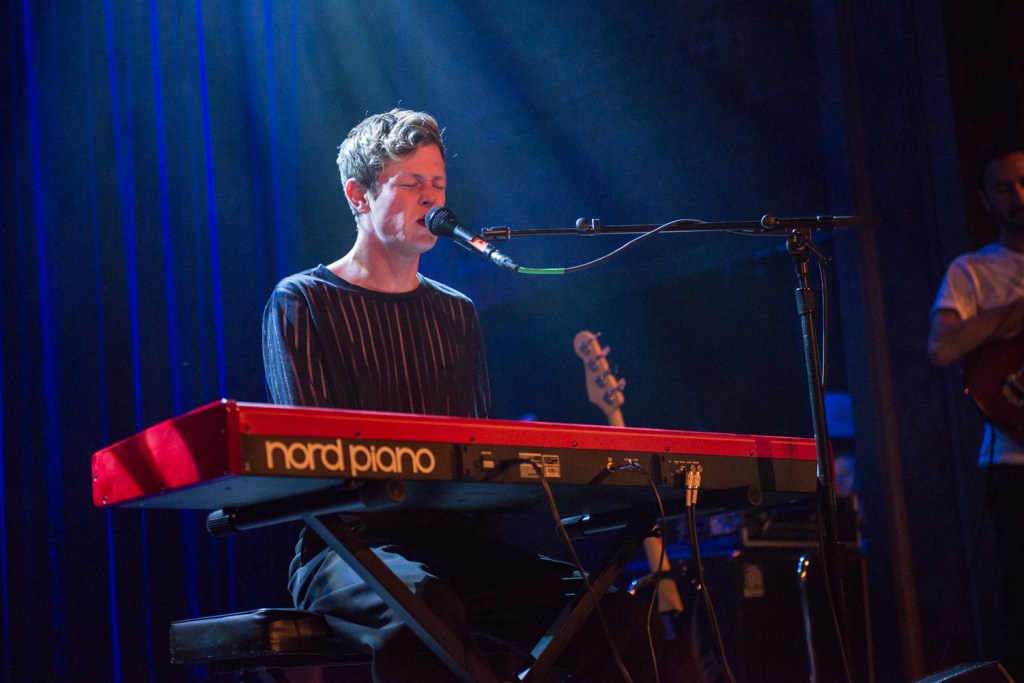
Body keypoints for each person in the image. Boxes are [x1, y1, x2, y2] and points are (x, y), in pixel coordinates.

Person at [262, 108, 662, 682]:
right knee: (425, 610)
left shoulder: (456, 312)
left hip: (455, 545)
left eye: (438, 184)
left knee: (613, 618)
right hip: (345, 548)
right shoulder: (303, 301)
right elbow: (311, 464)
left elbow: (476, 454)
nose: (432, 199)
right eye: (411, 184)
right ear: (358, 195)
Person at [928, 139, 1024, 680]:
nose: (1019, 196)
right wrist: (1014, 312)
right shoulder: (973, 271)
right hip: (1013, 460)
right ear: (986, 200)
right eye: (1004, 188)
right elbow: (941, 348)